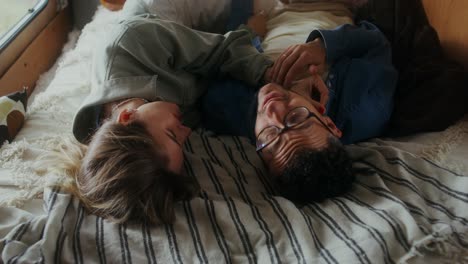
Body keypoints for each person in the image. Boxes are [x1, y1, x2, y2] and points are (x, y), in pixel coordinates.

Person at [70, 11, 273, 225]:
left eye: (172, 134)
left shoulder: (131, 43)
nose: (186, 131)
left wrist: (261, 57)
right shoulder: (146, 143)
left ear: (128, 116)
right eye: (181, 140)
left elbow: (220, 50)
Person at [202, 18, 398, 203]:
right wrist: (322, 47)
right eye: (295, 118)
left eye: (270, 135)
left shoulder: (230, 111)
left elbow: (216, 60)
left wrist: (250, 31)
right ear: (330, 125)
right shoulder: (368, 107)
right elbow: (376, 43)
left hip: (259, 26)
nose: (272, 109)